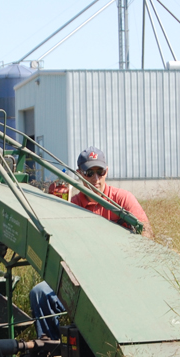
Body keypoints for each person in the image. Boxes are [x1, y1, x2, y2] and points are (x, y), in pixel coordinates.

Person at [30, 146, 153, 340]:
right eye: (89, 173)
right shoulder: (71, 205)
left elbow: (146, 233)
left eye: (100, 172)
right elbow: (60, 244)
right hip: (84, 277)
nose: (96, 179)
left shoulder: (122, 199)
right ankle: (52, 353)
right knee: (40, 293)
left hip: (118, 275)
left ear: (107, 171)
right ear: (79, 174)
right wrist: (51, 208)